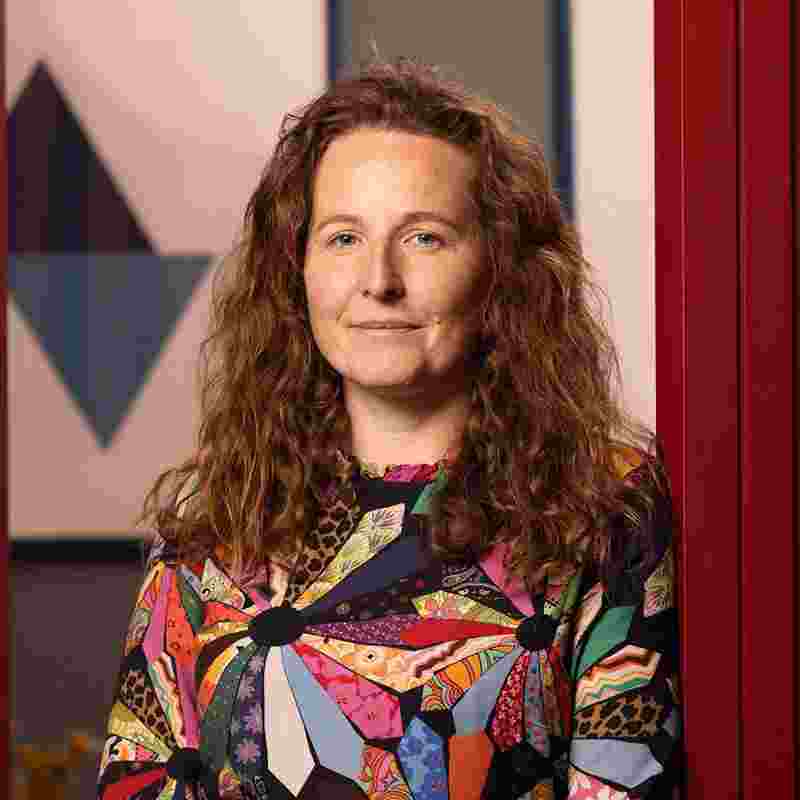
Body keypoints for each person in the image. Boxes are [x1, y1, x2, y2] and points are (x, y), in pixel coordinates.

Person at [97, 57, 681, 800]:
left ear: (501, 270)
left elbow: (622, 775)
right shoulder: (215, 519)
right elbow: (141, 773)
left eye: (425, 237)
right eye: (343, 238)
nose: (379, 280)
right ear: (296, 271)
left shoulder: (600, 507)